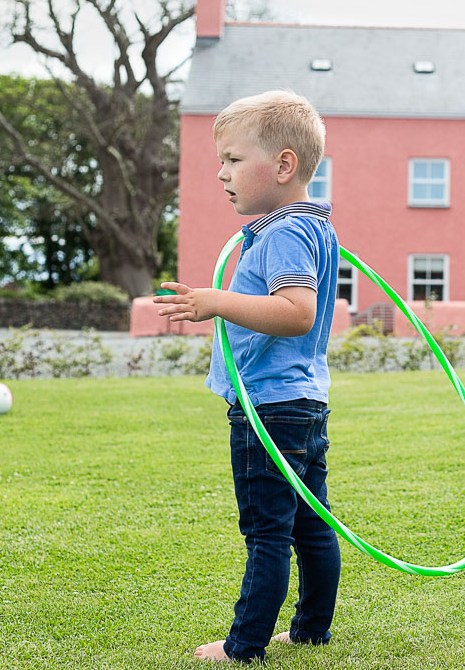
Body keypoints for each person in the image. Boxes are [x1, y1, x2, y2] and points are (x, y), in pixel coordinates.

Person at [153, 90, 341, 664]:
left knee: (267, 531)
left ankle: (244, 645)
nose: (220, 173)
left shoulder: (283, 233)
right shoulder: (310, 228)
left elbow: (296, 312)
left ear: (284, 165)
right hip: (303, 401)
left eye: (234, 160)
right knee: (311, 524)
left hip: (270, 406)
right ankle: (311, 629)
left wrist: (217, 301)